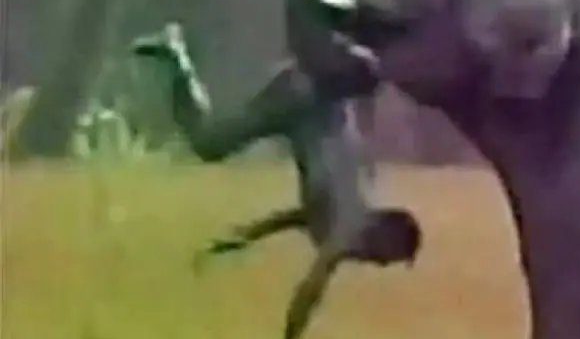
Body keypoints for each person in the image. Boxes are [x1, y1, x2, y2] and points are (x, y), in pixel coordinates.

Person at [129, 23, 422, 269]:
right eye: (391, 256)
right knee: (208, 143)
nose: (383, 264)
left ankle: (176, 55)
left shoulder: (345, 214)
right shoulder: (348, 224)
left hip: (306, 96)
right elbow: (312, 286)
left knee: (210, 143)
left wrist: (248, 235)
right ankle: (175, 52)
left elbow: (304, 215)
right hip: (302, 99)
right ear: (384, 231)